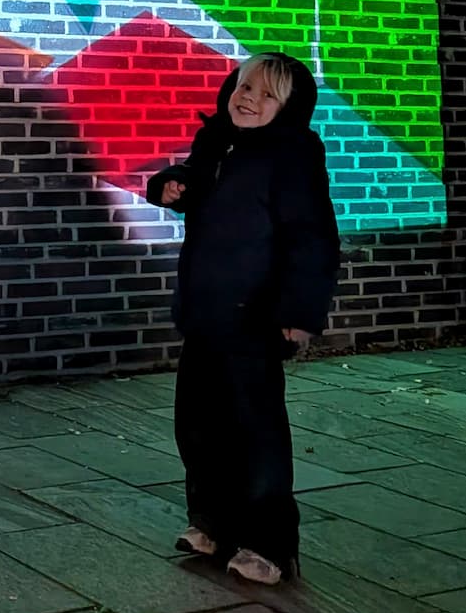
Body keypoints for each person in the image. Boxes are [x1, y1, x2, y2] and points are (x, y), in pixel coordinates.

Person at [145, 51, 341, 586]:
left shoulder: (294, 154)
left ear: (289, 108)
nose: (248, 97)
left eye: (265, 93)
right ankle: (212, 522)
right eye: (243, 85)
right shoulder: (216, 142)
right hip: (205, 314)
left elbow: (312, 238)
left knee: (256, 432)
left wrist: (300, 312)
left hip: (254, 318)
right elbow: (195, 180)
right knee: (199, 426)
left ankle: (269, 542)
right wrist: (169, 184)